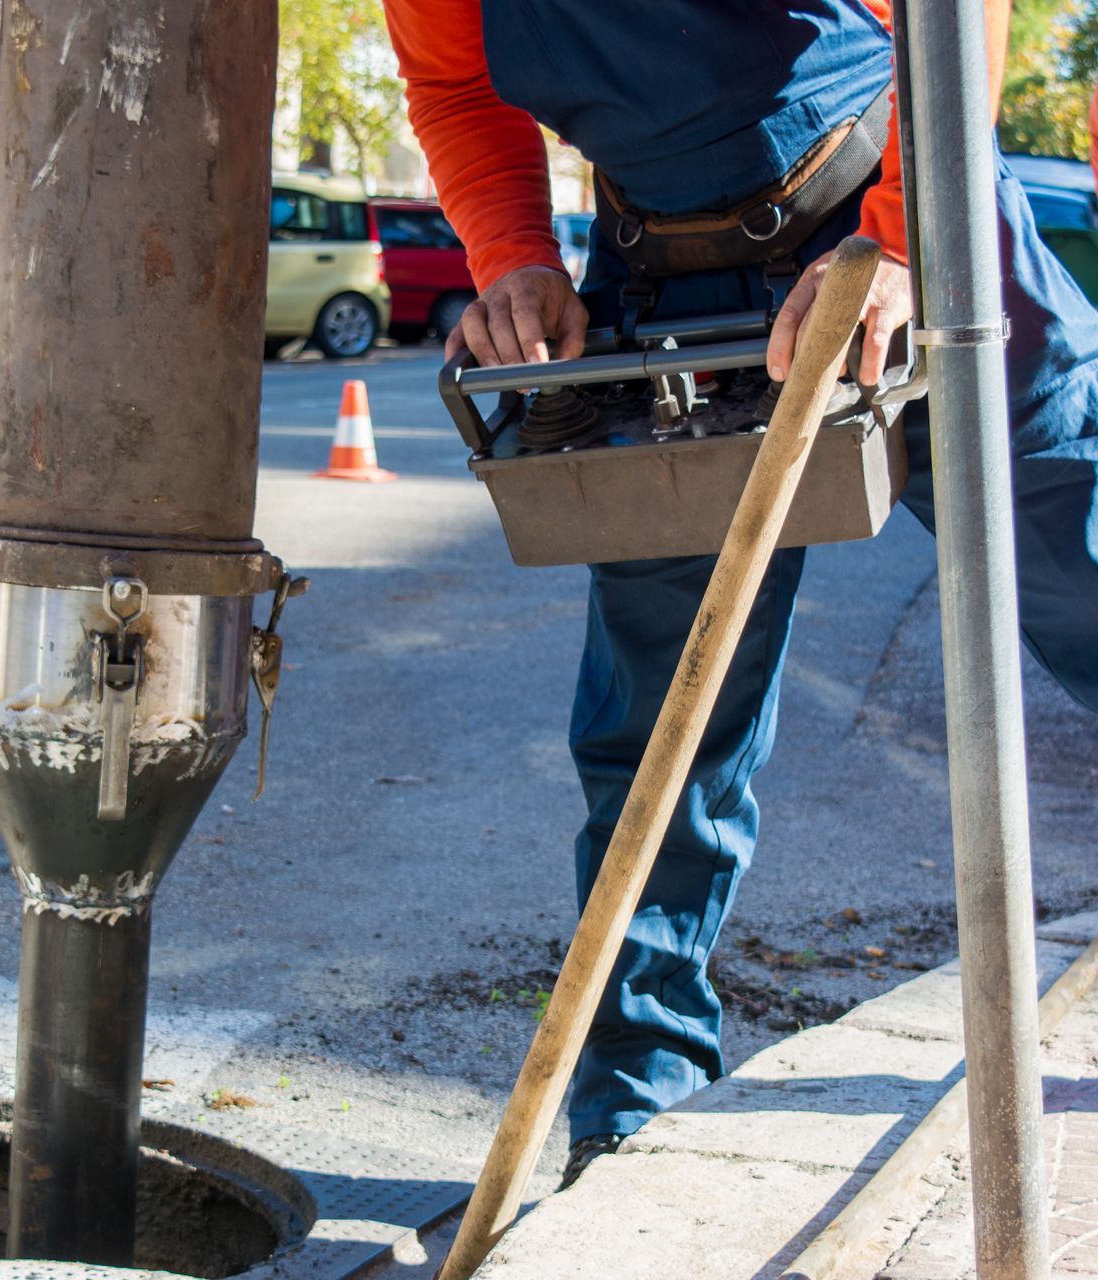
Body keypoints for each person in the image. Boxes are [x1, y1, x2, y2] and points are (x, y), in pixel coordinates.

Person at [379, 0, 1098, 1187]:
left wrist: (907, 244)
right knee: (660, 722)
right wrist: (513, 260)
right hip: (669, 295)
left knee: (1080, 561)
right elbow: (458, 91)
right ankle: (633, 1113)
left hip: (906, 220)